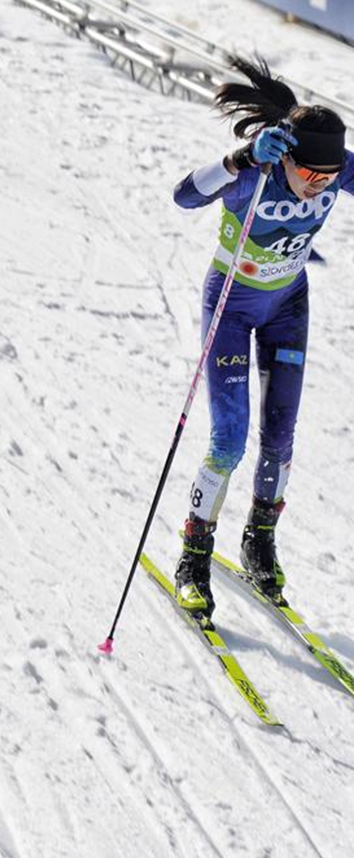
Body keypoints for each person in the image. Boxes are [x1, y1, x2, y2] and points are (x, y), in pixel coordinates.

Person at [171, 56, 352, 619]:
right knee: (229, 440)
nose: (318, 187)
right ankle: (193, 556)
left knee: (281, 437)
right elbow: (184, 195)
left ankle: (259, 542)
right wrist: (237, 159)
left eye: (330, 180)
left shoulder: (335, 165)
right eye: (310, 176)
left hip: (288, 307)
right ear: (286, 156)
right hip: (231, 304)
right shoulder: (255, 171)